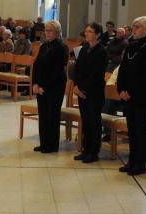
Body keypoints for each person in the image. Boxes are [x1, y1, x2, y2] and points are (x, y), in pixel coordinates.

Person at [116, 16, 146, 176]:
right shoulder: (130, 45)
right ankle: (131, 160)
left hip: (142, 95)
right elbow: (123, 69)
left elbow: (145, 74)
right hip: (128, 95)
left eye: (137, 27)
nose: (133, 29)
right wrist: (121, 89)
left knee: (140, 130)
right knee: (131, 130)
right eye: (133, 26)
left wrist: (131, 92)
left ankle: (140, 163)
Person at [72, 22, 107, 163]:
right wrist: (76, 86)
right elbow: (77, 70)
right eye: (86, 31)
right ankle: (85, 150)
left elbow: (96, 74)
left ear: (98, 34)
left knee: (94, 122)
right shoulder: (84, 49)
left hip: (94, 92)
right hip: (81, 91)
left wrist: (82, 88)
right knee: (86, 122)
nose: (86, 33)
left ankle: (94, 152)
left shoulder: (101, 51)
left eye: (90, 31)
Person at [31, 20, 68, 154]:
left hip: (54, 87)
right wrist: (35, 83)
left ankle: (52, 145)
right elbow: (36, 65)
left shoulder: (61, 47)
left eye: (50, 30)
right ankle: (44, 143)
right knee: (43, 115)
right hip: (41, 86)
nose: (47, 33)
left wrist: (44, 87)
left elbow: (57, 71)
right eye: (46, 30)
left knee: (52, 115)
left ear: (57, 32)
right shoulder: (44, 46)